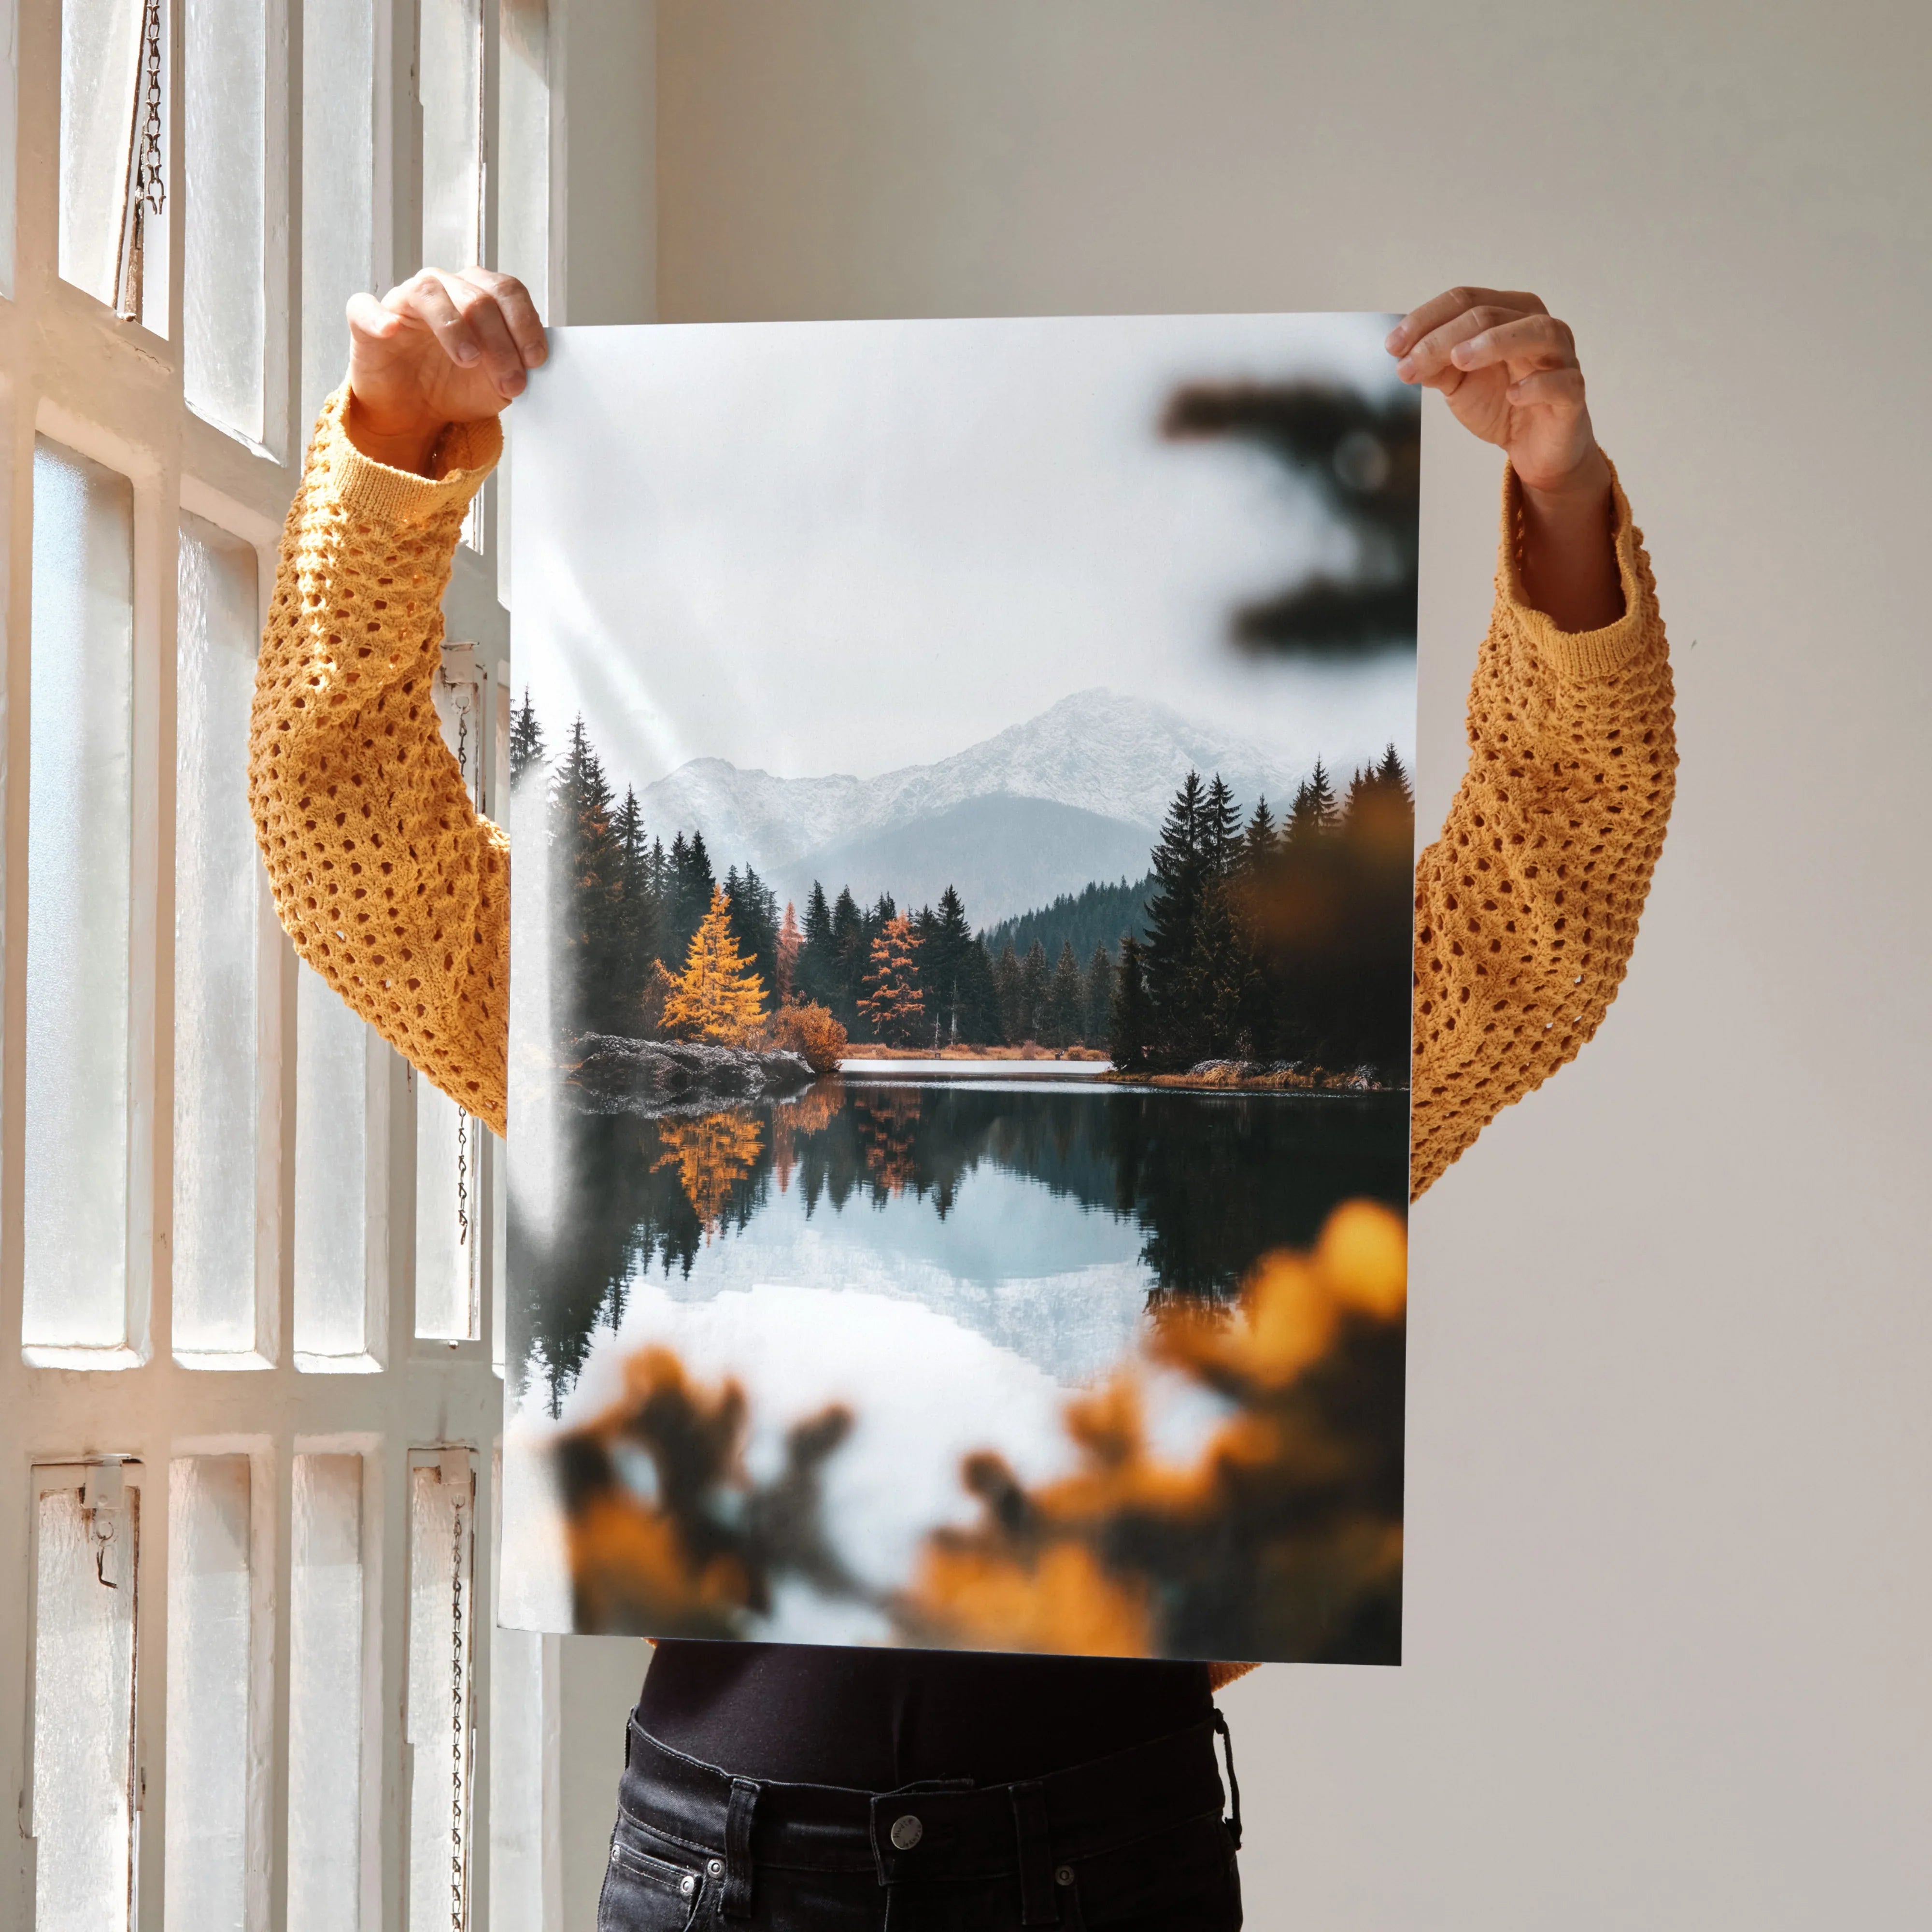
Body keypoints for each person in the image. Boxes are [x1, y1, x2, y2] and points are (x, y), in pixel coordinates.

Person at [250, 272, 1675, 1931]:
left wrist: (1560, 498)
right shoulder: (615, 1034)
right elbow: (341, 833)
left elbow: (1549, 897)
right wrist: (391, 448)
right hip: (728, 1866)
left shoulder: (1306, 1046)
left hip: (1104, 1854)